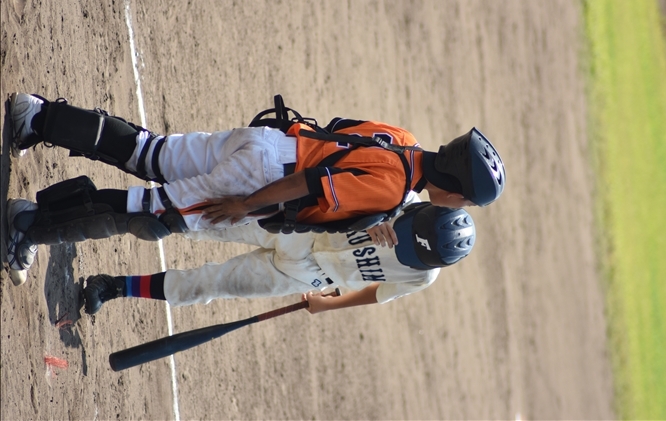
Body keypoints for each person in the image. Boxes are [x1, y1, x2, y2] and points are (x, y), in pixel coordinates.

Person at [5, 92, 504, 285]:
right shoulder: (393, 190)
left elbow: (338, 134)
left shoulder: (403, 141)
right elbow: (310, 185)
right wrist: (245, 205)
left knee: (149, 152)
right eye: (465, 199)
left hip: (266, 143)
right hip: (262, 181)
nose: (458, 207)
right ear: (455, 187)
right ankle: (26, 224)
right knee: (153, 213)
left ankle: (37, 115)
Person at [79, 201, 476, 315]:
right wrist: (378, 215)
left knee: (212, 285)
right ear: (419, 212)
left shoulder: (422, 277)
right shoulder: (398, 197)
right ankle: (102, 213)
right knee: (203, 220)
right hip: (302, 226)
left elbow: (379, 293)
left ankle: (113, 287)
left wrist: (328, 305)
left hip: (308, 275)